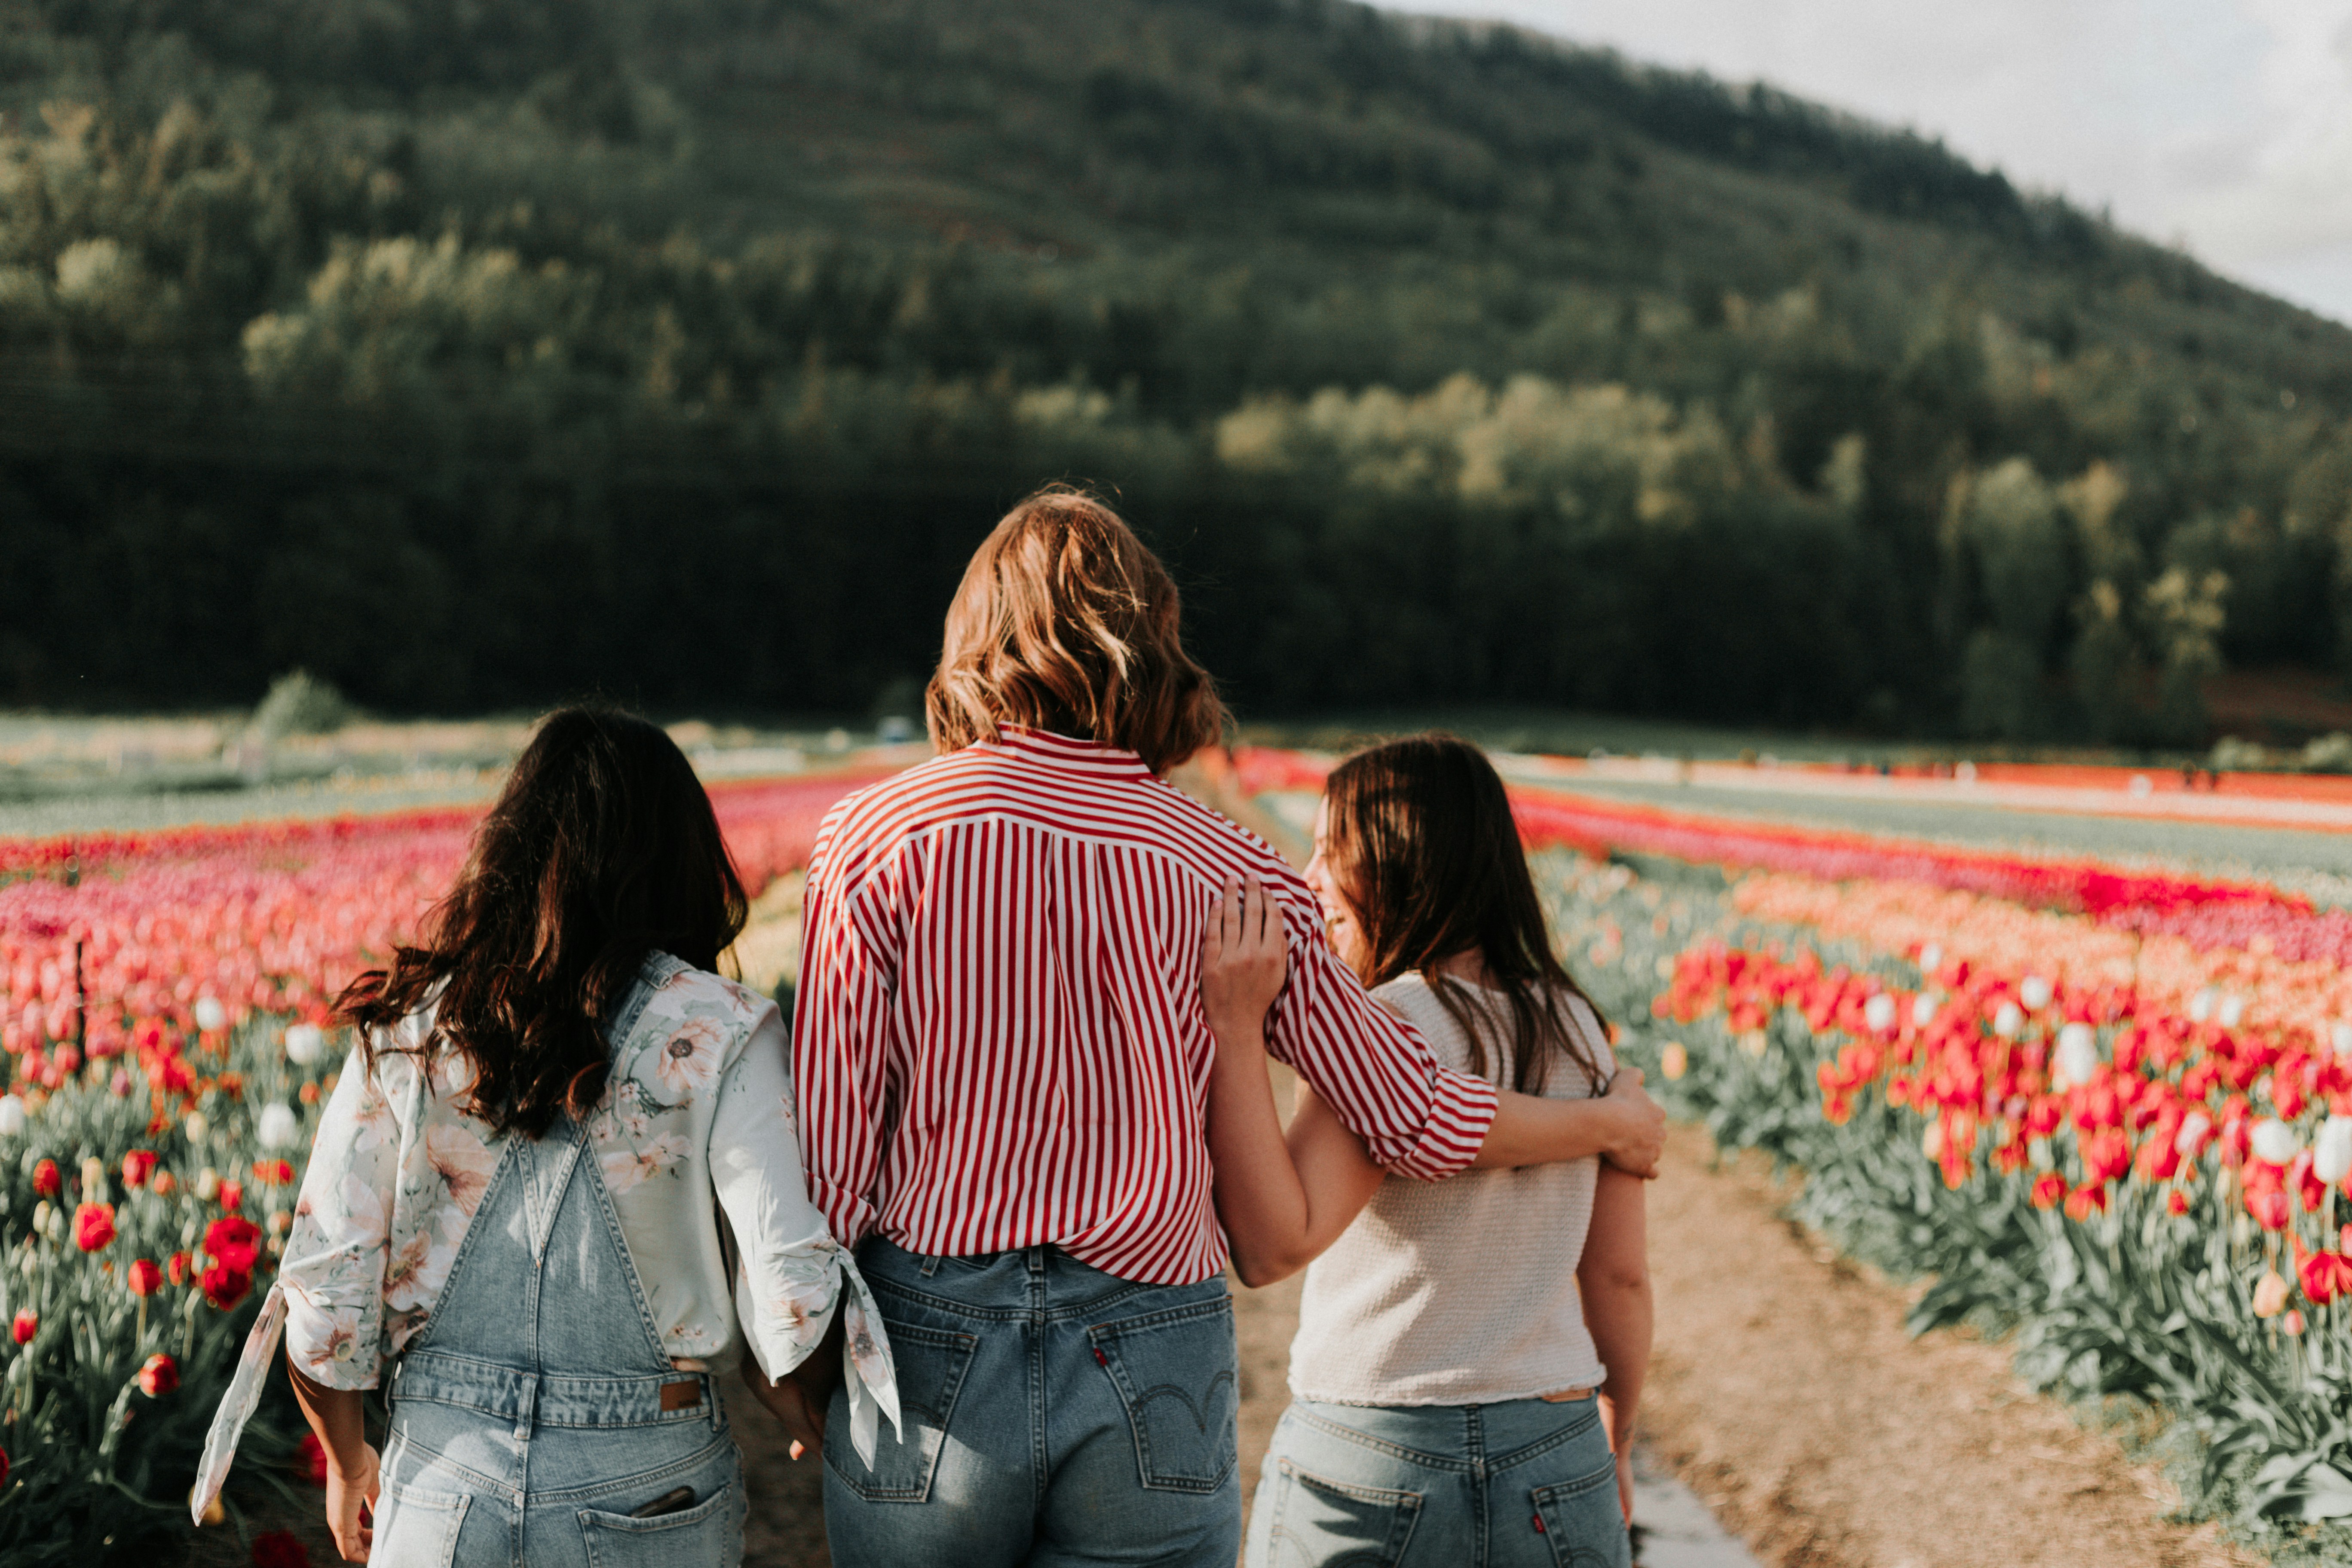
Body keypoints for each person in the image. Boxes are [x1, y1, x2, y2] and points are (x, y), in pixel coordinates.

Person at [786, 488, 1664, 1567]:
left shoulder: (874, 839)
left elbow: (832, 1158)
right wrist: (1602, 1125)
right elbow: (1416, 1116)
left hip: (929, 1339)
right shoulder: (1230, 867)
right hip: (1150, 1341)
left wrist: (799, 1363)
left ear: (978, 636)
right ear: (1150, 644)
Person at [192, 708, 899, 1566]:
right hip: (650, 1483)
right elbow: (790, 1295)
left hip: (442, 1488)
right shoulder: (722, 1028)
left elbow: (325, 1297)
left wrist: (349, 1463)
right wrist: (799, 1402)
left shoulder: (411, 1025)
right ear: (680, 856)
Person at [1199, 734, 1651, 1568]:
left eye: (1333, 853)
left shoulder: (1384, 1028)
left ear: (1400, 864)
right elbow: (1618, 1275)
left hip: (1376, 1444)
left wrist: (1234, 1027)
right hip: (1554, 1445)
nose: (1310, 880)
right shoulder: (1580, 1029)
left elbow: (1274, 1244)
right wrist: (1616, 1435)